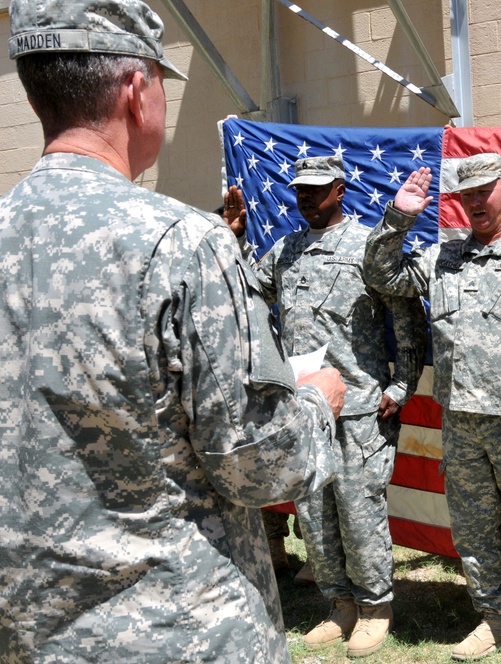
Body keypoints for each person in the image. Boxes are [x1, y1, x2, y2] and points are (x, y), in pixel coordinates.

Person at [0, 1, 348, 662]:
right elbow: (255, 464)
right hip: (180, 631)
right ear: (136, 90)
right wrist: (318, 404)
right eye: (161, 79)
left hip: (30, 633)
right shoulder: (181, 242)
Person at [363, 156, 501, 664]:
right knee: (473, 529)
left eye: (486, 191)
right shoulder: (445, 256)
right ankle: (493, 619)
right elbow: (381, 276)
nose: (477, 202)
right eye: (468, 195)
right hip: (461, 422)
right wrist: (399, 218)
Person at [223, 156, 426, 657]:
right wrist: (233, 239)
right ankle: (339, 605)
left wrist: (401, 388)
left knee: (359, 514)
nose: (306, 197)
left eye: (317, 189)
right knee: (314, 514)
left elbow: (406, 319)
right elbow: (245, 292)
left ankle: (375, 607)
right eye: (300, 190)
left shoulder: (367, 247)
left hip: (359, 408)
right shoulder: (286, 250)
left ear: (340, 190)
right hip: (304, 409)